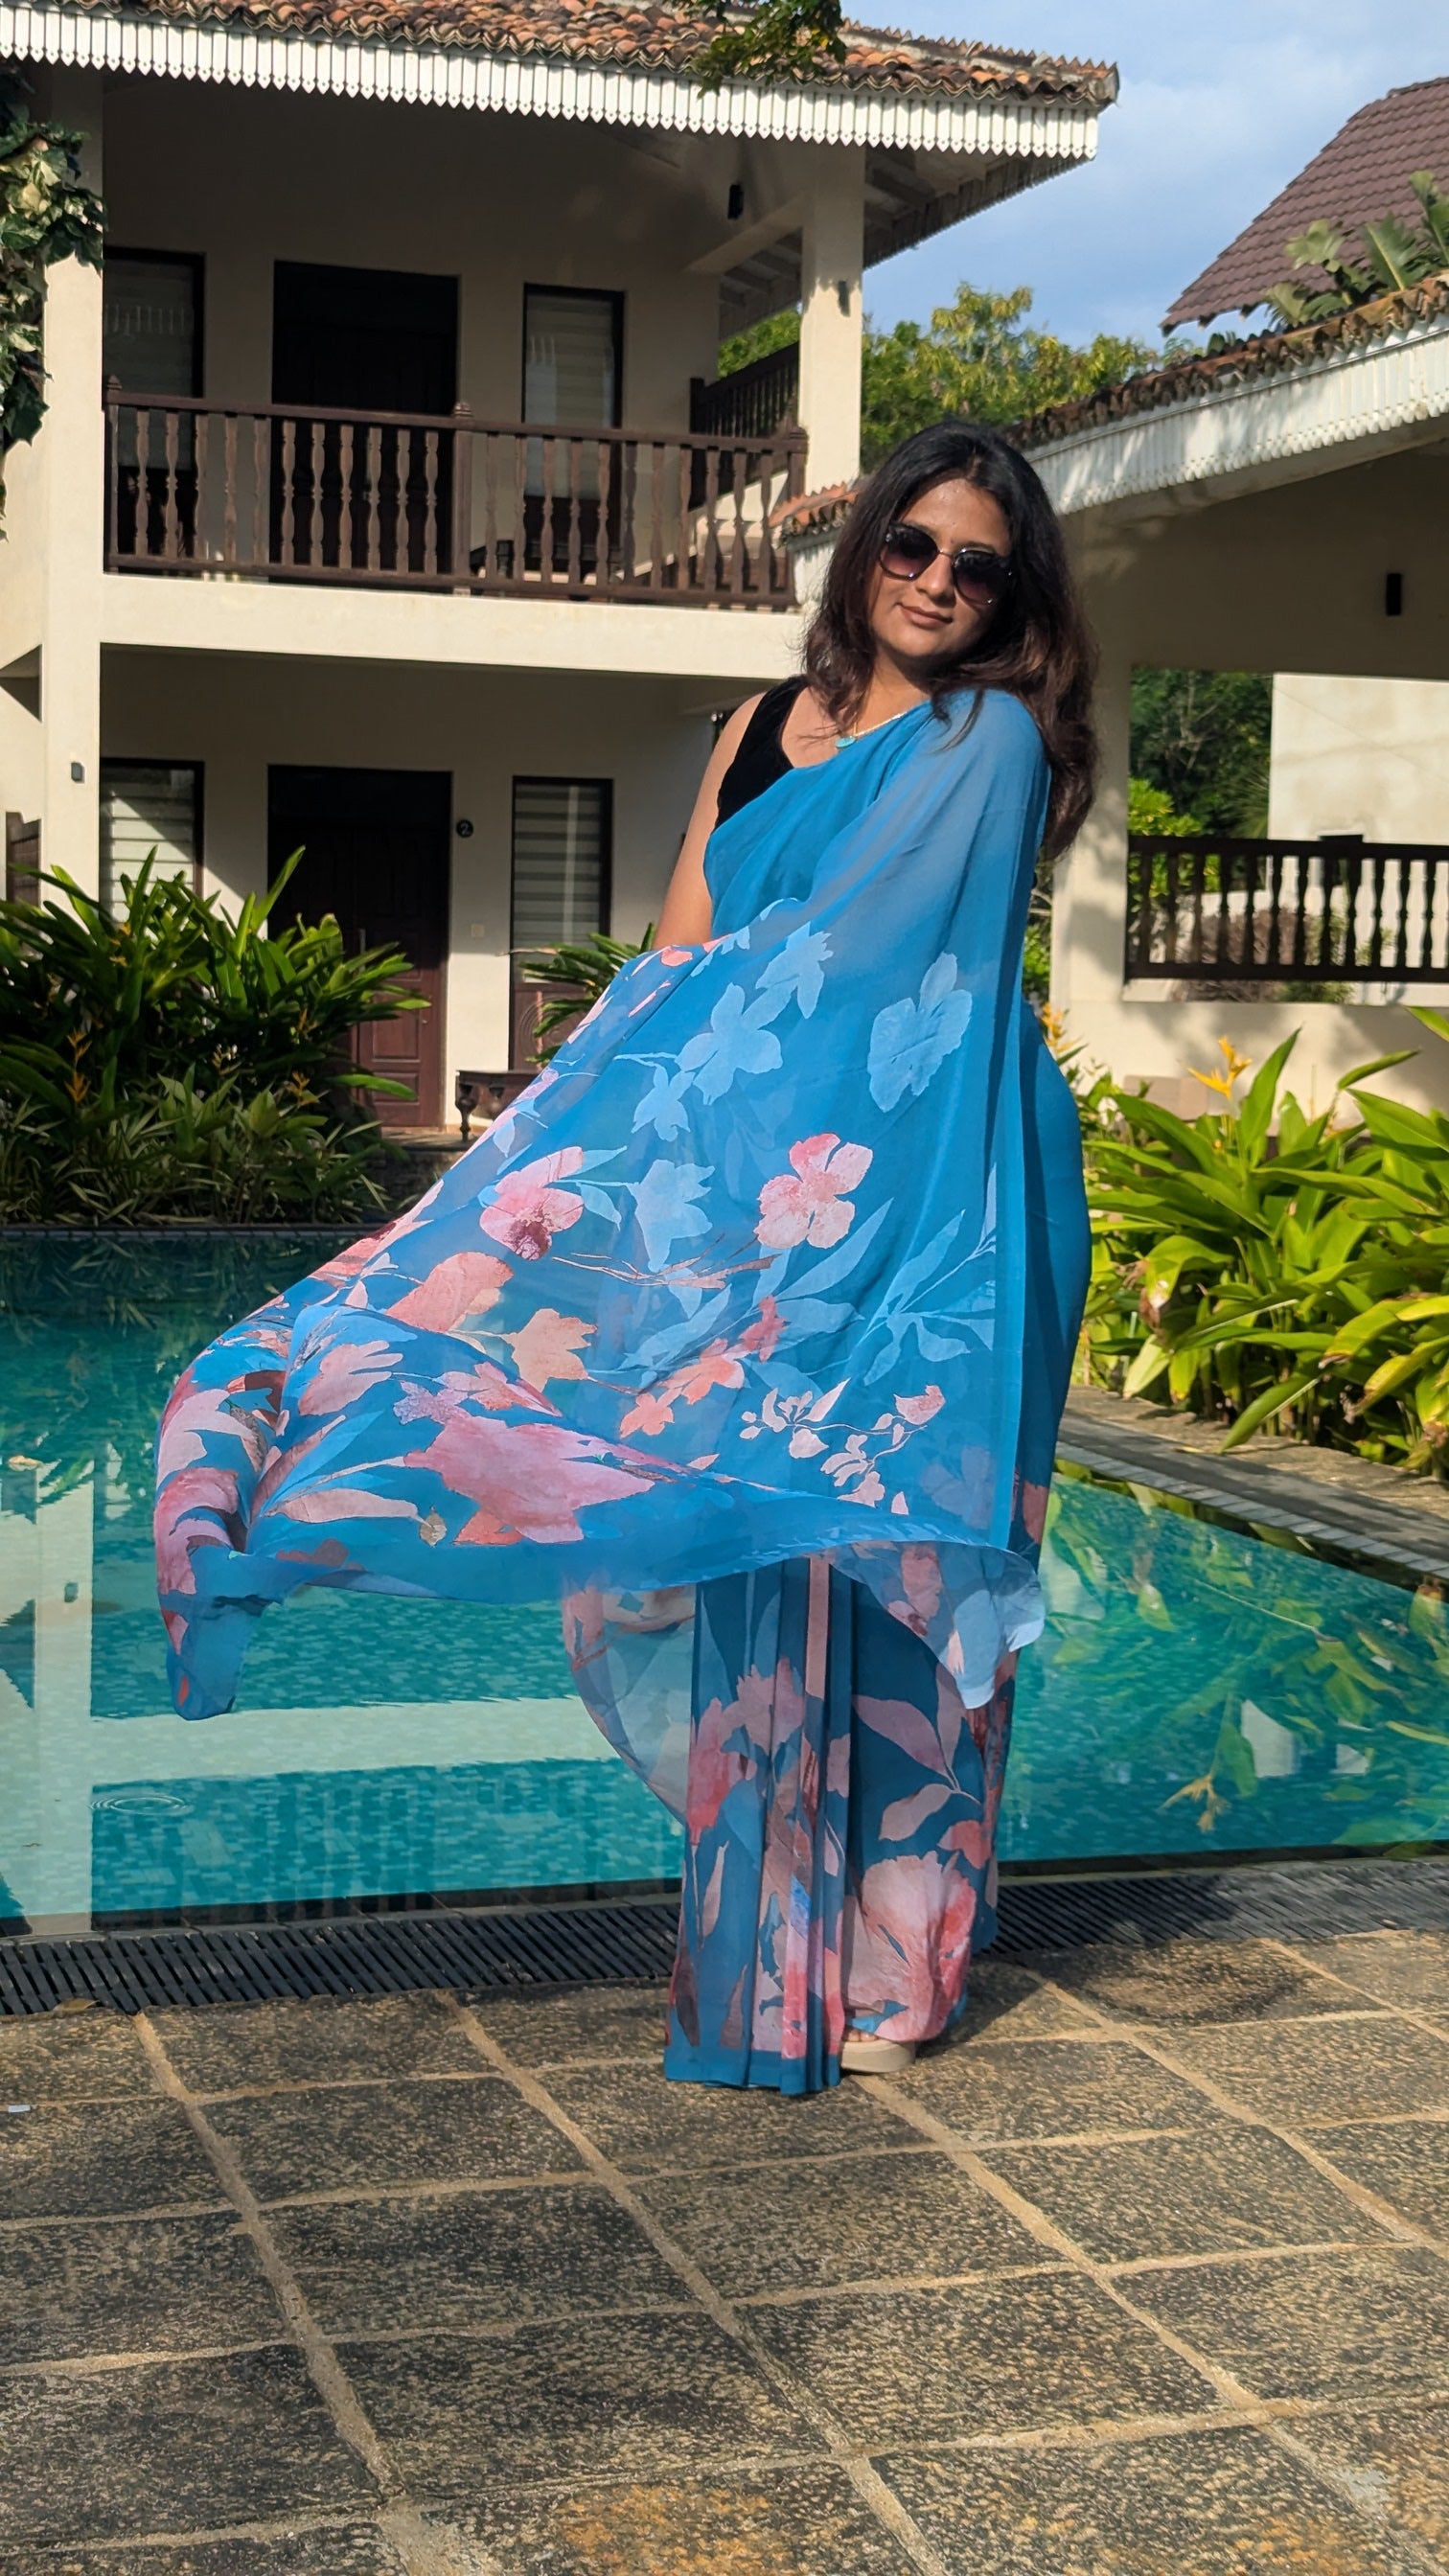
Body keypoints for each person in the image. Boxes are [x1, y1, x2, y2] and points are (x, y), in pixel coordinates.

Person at [155, 421, 1092, 2096]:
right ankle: (768, 1959)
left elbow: (879, 981)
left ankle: (902, 1963)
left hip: (925, 1196)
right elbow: (674, 966)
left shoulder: (988, 739)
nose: (940, 582)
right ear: (866, 548)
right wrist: (555, 1166)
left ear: (1010, 599)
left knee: (892, 1547)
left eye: (979, 566)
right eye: (914, 545)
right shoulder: (756, 727)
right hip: (741, 1193)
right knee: (735, 1541)